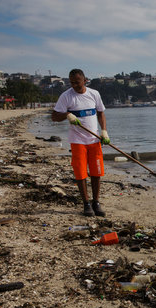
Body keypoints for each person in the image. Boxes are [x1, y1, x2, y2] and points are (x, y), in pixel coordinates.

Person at [52, 69, 110, 217]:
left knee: (96, 172)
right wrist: (67, 115)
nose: (74, 85)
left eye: (77, 82)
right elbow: (54, 116)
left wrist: (104, 131)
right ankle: (86, 204)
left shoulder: (94, 94)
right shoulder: (66, 96)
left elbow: (101, 113)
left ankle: (96, 202)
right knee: (80, 173)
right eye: (71, 82)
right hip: (77, 141)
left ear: (85, 80)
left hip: (94, 139)